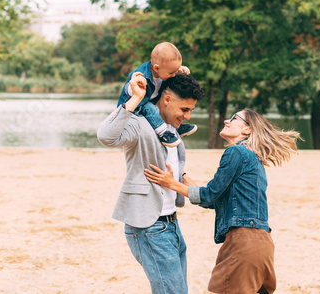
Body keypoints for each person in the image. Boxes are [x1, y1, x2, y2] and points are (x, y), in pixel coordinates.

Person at [144, 109, 301, 294]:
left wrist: (171, 183)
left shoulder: (236, 152)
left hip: (244, 243)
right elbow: (213, 199)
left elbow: (209, 195)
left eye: (234, 118)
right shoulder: (251, 158)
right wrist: (180, 177)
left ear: (247, 130)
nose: (227, 120)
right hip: (262, 245)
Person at [97, 72, 205, 293]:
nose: (187, 116)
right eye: (184, 109)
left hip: (171, 223)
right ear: (166, 99)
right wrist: (135, 99)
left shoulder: (172, 129)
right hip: (149, 225)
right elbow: (106, 136)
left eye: (191, 110)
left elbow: (175, 169)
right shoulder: (139, 124)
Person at [117, 42, 197, 148]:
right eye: (171, 73)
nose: (173, 75)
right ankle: (164, 133)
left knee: (166, 108)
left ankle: (176, 128)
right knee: (151, 108)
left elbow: (171, 74)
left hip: (152, 100)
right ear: (156, 68)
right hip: (137, 107)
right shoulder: (141, 74)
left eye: (175, 71)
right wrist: (135, 87)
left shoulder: (164, 70)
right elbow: (128, 90)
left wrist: (181, 72)